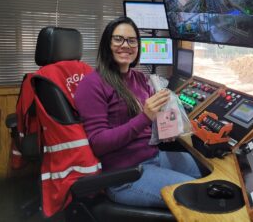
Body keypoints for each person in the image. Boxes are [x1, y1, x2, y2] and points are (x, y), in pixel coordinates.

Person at [74, 16, 201, 208]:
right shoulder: (92, 85)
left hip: (154, 156)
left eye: (132, 40)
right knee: (196, 196)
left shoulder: (141, 79)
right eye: (118, 39)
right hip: (126, 174)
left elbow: (152, 123)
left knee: (204, 173)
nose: (126, 45)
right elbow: (98, 143)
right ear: (107, 44)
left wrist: (166, 128)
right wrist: (145, 117)